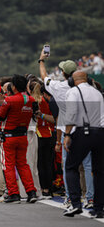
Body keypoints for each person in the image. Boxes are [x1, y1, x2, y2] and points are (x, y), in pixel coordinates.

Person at [39, 49, 94, 208]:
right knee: (88, 165)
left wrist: (41, 60)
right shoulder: (86, 89)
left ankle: (70, 198)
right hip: (86, 129)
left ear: (63, 73)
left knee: (69, 167)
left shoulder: (58, 87)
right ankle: (90, 198)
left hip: (67, 131)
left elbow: (44, 77)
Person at [62, 71, 104, 218]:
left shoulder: (74, 91)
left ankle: (75, 204)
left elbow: (72, 114)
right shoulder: (97, 92)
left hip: (83, 132)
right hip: (100, 132)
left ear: (73, 81)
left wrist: (67, 134)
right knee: (99, 171)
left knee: (71, 166)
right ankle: (98, 207)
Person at [0, 74, 37, 204]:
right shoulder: (31, 99)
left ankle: (14, 193)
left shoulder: (10, 100)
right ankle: (31, 192)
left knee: (8, 165)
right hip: (22, 136)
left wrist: (1, 104)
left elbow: (0, 116)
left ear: (13, 86)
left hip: (8, 137)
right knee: (23, 164)